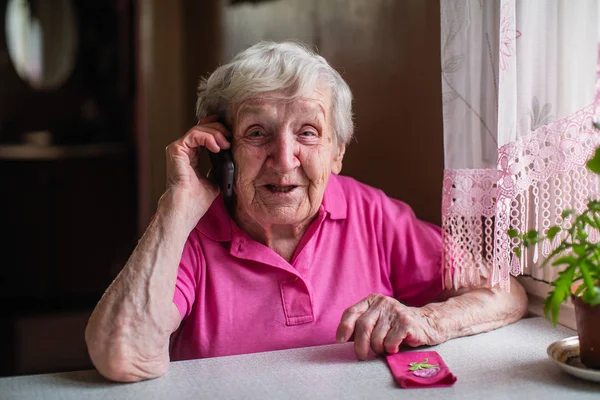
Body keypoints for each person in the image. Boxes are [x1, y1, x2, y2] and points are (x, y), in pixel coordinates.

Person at [85, 41, 528, 382]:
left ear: (337, 153)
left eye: (309, 132)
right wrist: (175, 205)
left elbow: (503, 292)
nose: (284, 157)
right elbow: (123, 355)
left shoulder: (370, 214)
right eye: (257, 132)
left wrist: (428, 319)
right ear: (224, 149)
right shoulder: (190, 234)